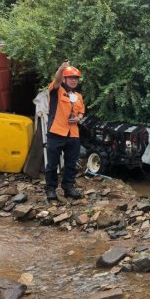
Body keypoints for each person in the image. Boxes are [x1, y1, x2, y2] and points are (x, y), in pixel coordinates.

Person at [44, 61, 85, 200]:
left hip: (73, 135)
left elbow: (81, 112)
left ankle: (68, 187)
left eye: (76, 78)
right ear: (65, 79)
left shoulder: (78, 96)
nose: (73, 80)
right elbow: (56, 79)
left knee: (71, 163)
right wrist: (62, 68)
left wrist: (78, 118)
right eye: (71, 78)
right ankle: (50, 189)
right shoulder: (56, 90)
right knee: (52, 164)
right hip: (56, 132)